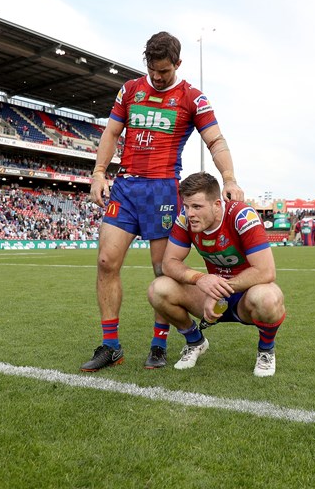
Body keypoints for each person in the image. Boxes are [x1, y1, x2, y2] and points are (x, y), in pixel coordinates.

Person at [81, 31, 244, 372]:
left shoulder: (192, 99)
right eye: (152, 70)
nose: (157, 77)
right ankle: (110, 346)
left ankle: (159, 343)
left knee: (161, 272)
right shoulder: (129, 90)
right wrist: (98, 172)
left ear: (178, 65)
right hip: (125, 187)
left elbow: (215, 141)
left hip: (163, 191)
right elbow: (111, 132)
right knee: (106, 261)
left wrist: (228, 178)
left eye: (164, 72)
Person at [147, 172, 286, 377]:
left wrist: (219, 290)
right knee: (158, 289)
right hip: (210, 294)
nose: (189, 213)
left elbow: (266, 271)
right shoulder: (185, 220)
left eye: (197, 206)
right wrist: (200, 278)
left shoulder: (241, 216)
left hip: (246, 296)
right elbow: (169, 263)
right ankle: (195, 341)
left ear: (217, 205)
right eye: (186, 206)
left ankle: (266, 350)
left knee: (269, 297)